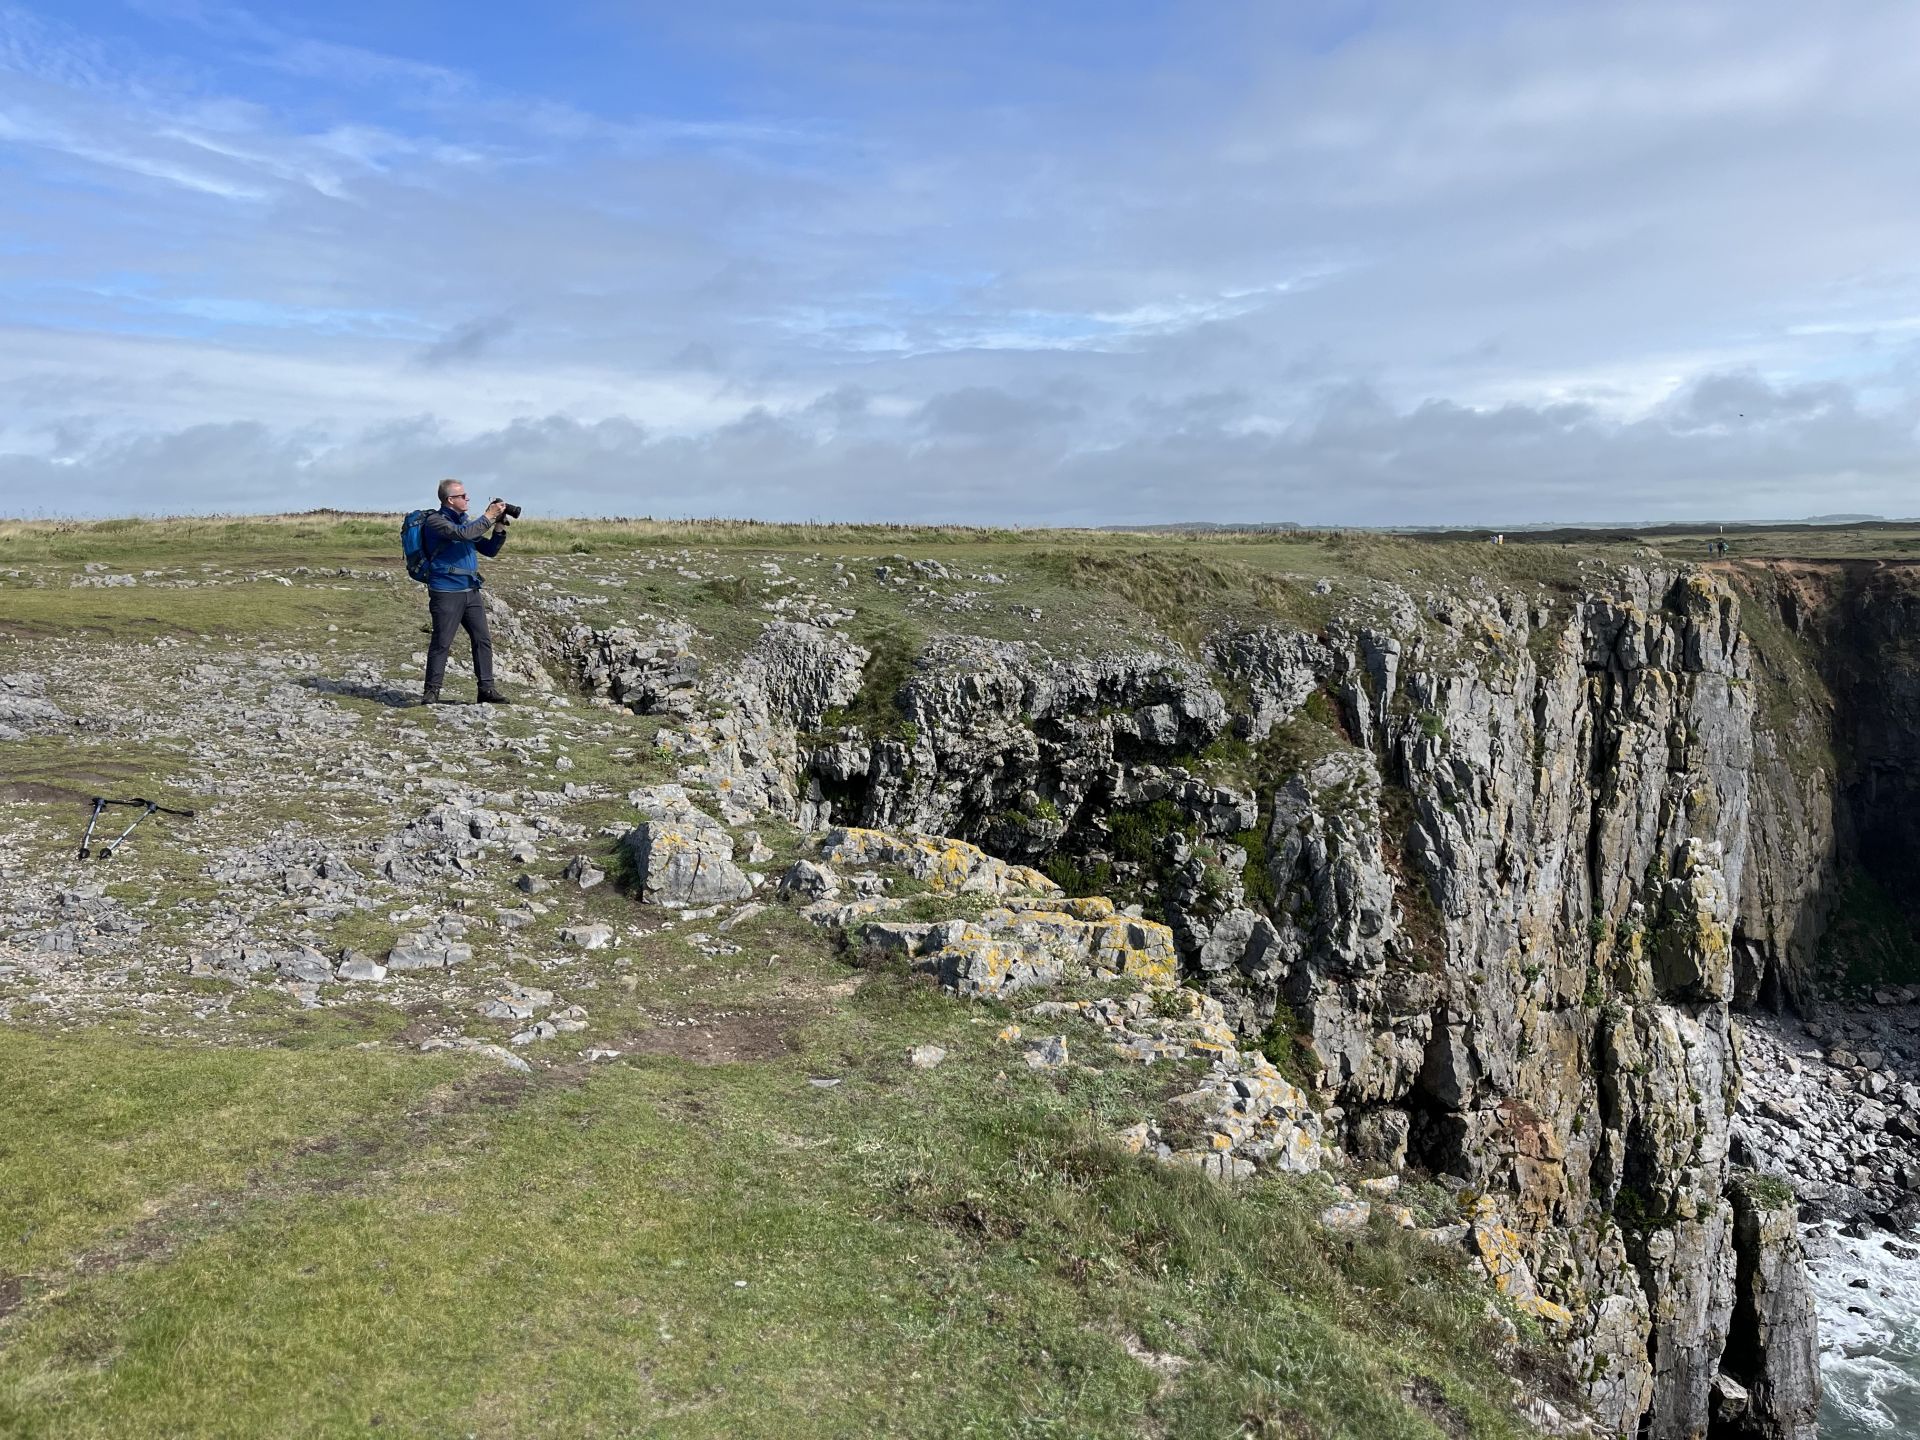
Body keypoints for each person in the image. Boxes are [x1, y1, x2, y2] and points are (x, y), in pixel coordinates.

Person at [420, 479, 511, 705]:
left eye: (466, 495)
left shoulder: (465, 522)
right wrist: (488, 516)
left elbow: (489, 550)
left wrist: (498, 526)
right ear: (450, 500)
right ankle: (432, 693)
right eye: (462, 496)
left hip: (471, 590)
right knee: (442, 642)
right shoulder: (435, 522)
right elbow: (461, 535)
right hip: (446, 591)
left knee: (482, 640)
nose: (467, 498)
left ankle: (486, 690)